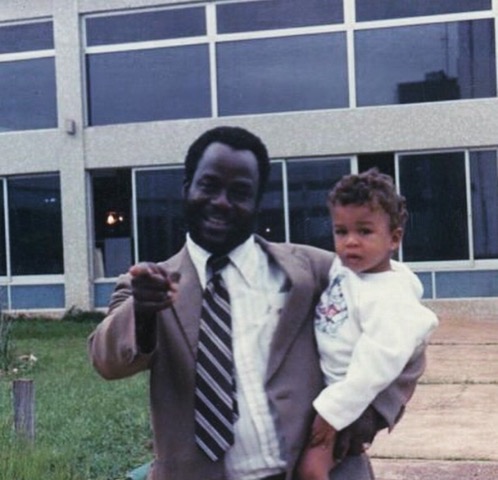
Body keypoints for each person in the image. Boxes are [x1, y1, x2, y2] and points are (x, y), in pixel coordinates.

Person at [88, 126, 427, 480]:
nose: (221, 201)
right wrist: (143, 313)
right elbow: (106, 361)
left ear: (257, 201)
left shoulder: (316, 271)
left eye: (239, 192)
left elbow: (404, 335)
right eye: (209, 185)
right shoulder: (147, 286)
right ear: (187, 189)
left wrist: (357, 417)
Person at [297, 169, 438, 480]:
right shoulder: (346, 269)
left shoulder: (388, 295)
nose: (350, 243)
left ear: (395, 238)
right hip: (330, 389)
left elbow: (375, 367)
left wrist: (331, 414)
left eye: (364, 231)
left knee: (311, 470)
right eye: (340, 231)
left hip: (347, 400)